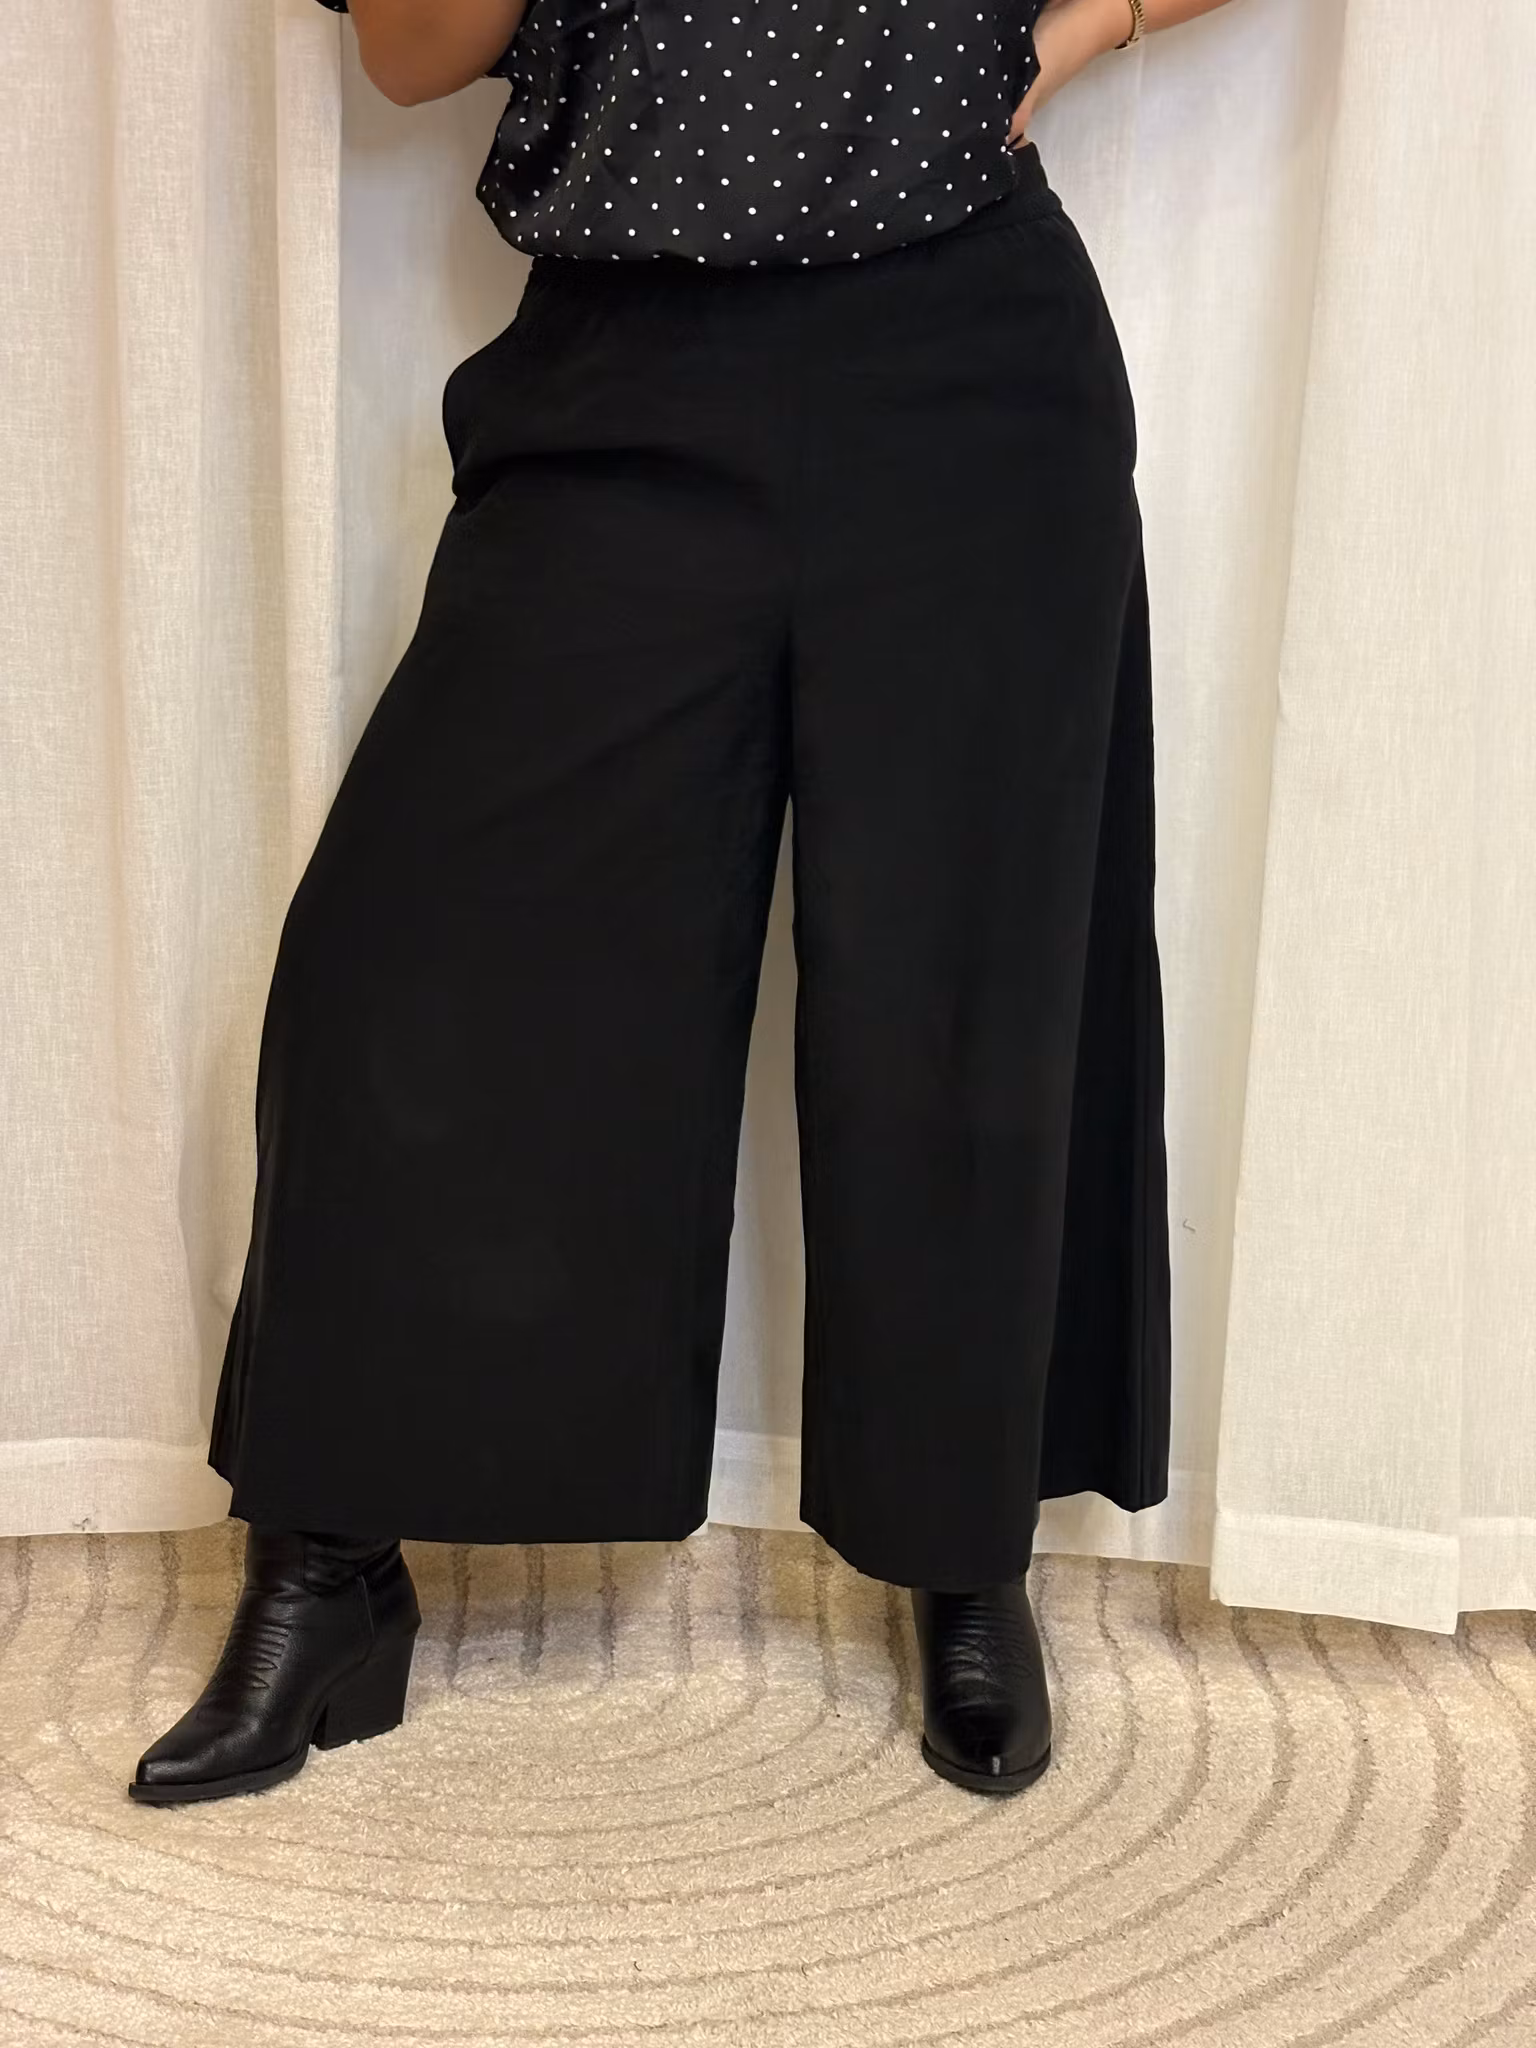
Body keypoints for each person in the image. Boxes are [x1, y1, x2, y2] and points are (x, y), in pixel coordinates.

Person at [132, 0, 1227, 1809]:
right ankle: (326, 1562)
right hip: (618, 360)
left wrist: (1091, 21)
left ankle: (965, 1552)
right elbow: (407, 56)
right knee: (411, 960)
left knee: (966, 983)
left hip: (971, 354)